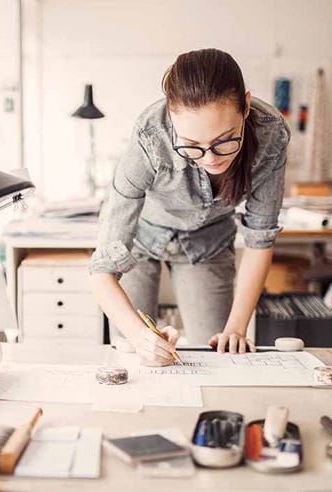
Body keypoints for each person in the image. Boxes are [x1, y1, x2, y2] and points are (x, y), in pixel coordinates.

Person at [90, 48, 290, 366]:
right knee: (133, 353)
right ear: (172, 120)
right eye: (192, 146)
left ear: (246, 105)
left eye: (225, 140)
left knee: (216, 354)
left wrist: (236, 329)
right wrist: (139, 337)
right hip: (140, 240)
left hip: (207, 243)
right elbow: (103, 270)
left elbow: (260, 239)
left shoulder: (271, 134)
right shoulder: (150, 135)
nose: (211, 157)